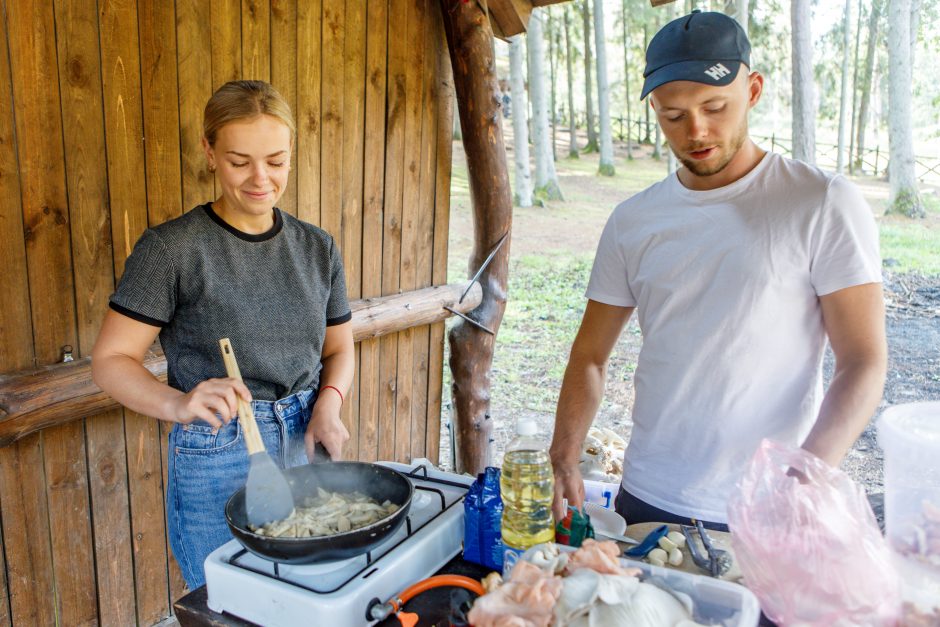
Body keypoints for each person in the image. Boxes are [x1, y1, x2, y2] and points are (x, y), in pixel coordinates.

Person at [549, 11, 886, 531]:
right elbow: (590, 356)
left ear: (752, 90)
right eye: (673, 115)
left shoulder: (820, 202)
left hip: (769, 502)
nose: (696, 131)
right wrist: (565, 454)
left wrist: (806, 473)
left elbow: (862, 361)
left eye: (714, 106)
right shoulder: (633, 220)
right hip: (646, 494)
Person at [91, 80, 355, 589]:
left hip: (304, 437)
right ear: (210, 153)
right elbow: (111, 360)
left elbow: (339, 348)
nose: (261, 179)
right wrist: (177, 404)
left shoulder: (317, 247)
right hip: (219, 446)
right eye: (240, 162)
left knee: (303, 598)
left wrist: (329, 404)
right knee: (229, 605)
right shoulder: (172, 250)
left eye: (276, 161)